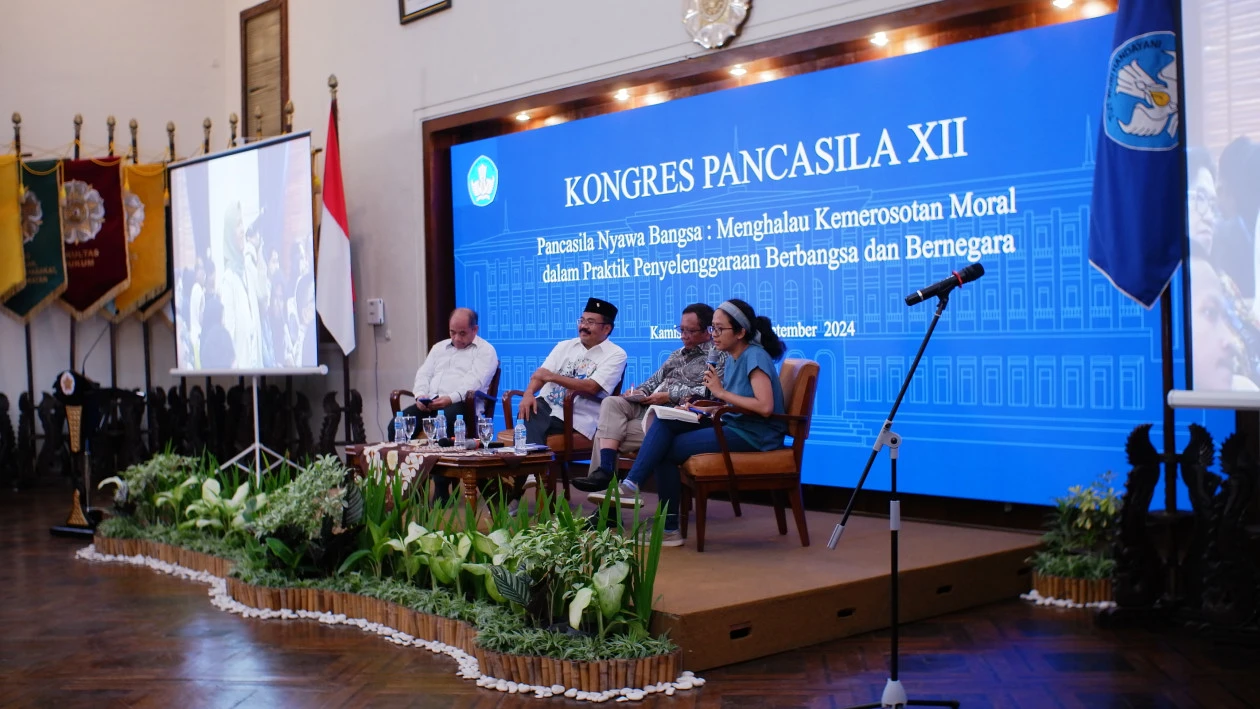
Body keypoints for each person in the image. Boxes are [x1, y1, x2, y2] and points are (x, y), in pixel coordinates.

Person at [607, 299, 787, 547]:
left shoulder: (754, 356)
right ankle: (637, 488)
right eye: (712, 328)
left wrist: (720, 393)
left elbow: (765, 407)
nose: (713, 335)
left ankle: (661, 518)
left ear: (740, 332)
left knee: (667, 450)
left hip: (753, 434)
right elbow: (739, 403)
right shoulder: (733, 355)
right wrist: (699, 407)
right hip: (734, 423)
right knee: (665, 418)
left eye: (719, 329)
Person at [571, 303, 725, 493]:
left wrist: (669, 395)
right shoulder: (676, 354)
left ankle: (605, 498)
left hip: (672, 418)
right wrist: (640, 393)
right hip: (648, 408)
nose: (683, 335)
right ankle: (606, 476)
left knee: (604, 435)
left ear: (707, 331)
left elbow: (711, 393)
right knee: (611, 403)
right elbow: (653, 381)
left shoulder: (717, 357)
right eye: (681, 329)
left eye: (690, 331)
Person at [509, 298, 626, 503]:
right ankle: (526, 477)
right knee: (529, 410)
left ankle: (518, 486)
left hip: (577, 416)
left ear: (607, 328)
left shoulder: (616, 354)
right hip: (547, 406)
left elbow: (592, 386)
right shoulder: (565, 346)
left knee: (527, 421)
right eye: (582, 320)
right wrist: (528, 394)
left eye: (590, 322)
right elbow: (539, 374)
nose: (583, 326)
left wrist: (552, 377)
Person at [406, 308, 499, 437]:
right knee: (397, 425)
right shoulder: (438, 348)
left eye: (462, 333)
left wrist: (450, 399)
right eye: (452, 332)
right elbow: (424, 374)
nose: (456, 338)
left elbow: (474, 382)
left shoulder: (485, 351)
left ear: (475, 330)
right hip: (431, 403)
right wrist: (421, 395)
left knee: (444, 422)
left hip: (461, 405)